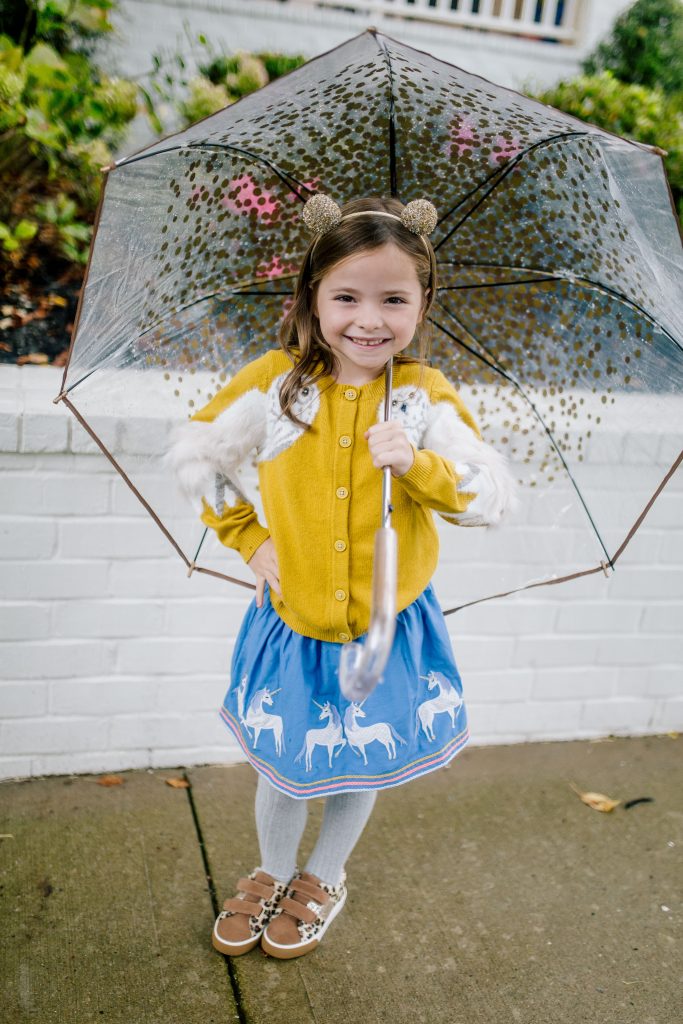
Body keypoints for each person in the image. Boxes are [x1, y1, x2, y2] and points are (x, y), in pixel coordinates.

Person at [169, 193, 516, 961]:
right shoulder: (275, 384)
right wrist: (249, 538)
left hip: (384, 627)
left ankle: (324, 874)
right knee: (291, 764)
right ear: (311, 300)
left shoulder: (423, 398)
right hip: (294, 619)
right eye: (346, 297)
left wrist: (416, 463)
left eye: (393, 299)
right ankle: (272, 868)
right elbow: (199, 458)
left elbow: (482, 497)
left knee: (360, 758)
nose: (369, 319)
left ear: (422, 305)